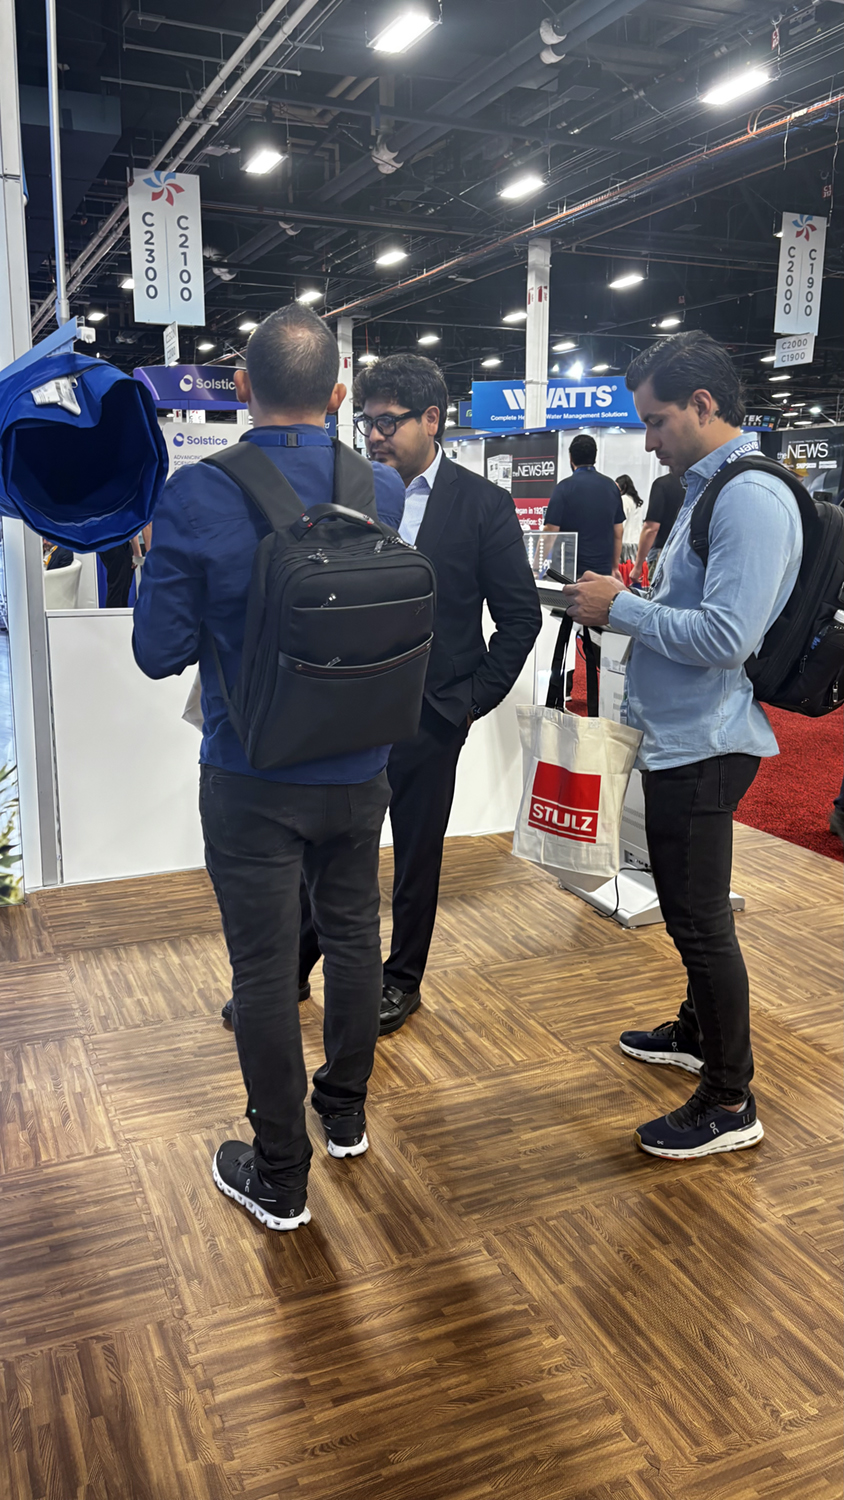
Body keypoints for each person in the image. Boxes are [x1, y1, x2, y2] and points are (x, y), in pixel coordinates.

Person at [133, 304, 406, 1232]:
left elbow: (158, 652)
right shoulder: (380, 486)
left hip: (251, 772)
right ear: (339, 393)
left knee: (261, 971)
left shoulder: (196, 494)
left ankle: (280, 1176)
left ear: (242, 387)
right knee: (356, 937)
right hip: (362, 763)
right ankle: (346, 1114)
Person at [561, 329, 802, 1161]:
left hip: (707, 741)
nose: (649, 440)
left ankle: (730, 1100)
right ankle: (699, 1032)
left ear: (703, 405)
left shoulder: (749, 496)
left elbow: (728, 637)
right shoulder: (709, 489)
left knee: (699, 922)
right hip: (680, 736)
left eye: (657, 421)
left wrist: (622, 609)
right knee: (689, 909)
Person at [300, 353, 542, 1038]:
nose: (374, 436)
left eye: (388, 422)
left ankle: (401, 980)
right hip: (346, 709)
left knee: (416, 854)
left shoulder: (482, 504)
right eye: (367, 423)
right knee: (327, 845)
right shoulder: (346, 493)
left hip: (430, 714)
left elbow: (519, 618)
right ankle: (293, 967)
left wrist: (467, 703)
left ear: (432, 419)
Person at [543, 433, 625, 580]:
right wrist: (614, 567)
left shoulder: (563, 488)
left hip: (569, 572)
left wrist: (536, 567)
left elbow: (550, 531)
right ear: (595, 457)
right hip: (602, 572)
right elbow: (618, 531)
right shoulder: (611, 487)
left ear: (570, 457)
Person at [629, 468, 685, 585]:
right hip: (690, 553)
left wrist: (638, 566)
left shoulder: (662, 484)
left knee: (660, 592)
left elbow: (651, 529)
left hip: (663, 552)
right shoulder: (702, 484)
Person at [615, 474, 646, 563]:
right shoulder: (637, 502)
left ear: (623, 486)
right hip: (637, 543)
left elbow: (621, 523)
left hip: (625, 542)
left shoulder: (623, 500)